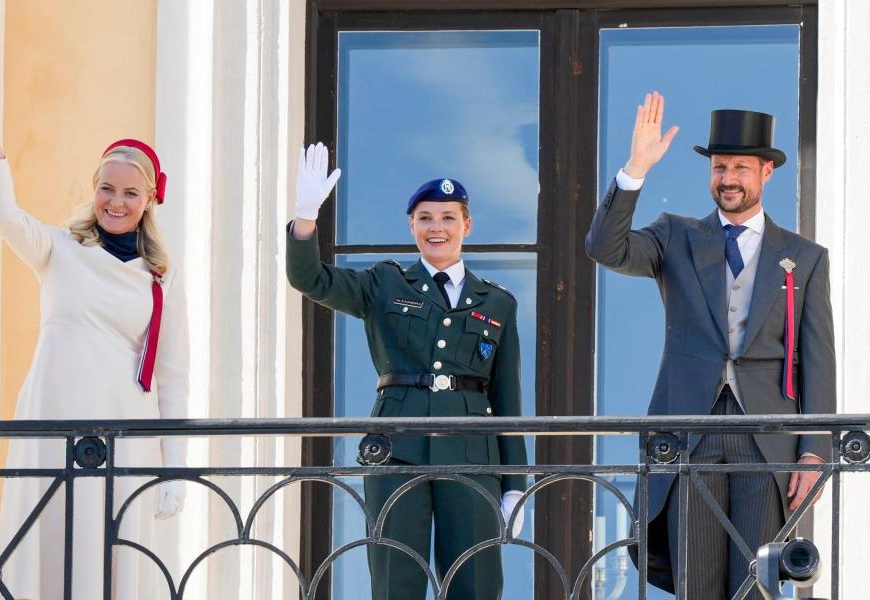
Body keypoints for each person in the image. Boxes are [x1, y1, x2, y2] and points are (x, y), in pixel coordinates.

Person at [0, 98, 189, 599]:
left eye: (130, 193)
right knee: (47, 539)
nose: (116, 201)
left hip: (125, 433)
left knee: (111, 553)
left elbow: (172, 375)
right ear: (94, 191)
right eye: (106, 189)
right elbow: (4, 216)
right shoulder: (58, 249)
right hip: (53, 415)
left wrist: (172, 465)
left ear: (150, 200)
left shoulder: (161, 275)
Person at [586, 92, 835, 598]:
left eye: (740, 167)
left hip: (766, 439)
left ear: (766, 172)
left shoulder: (804, 258)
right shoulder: (675, 235)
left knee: (757, 582)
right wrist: (636, 168)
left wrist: (814, 452)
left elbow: (817, 359)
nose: (727, 178)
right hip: (687, 433)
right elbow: (604, 248)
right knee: (694, 581)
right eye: (720, 167)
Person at [286, 143, 528, 599]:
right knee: (396, 579)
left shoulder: (498, 302)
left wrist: (515, 483)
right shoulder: (385, 282)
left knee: (475, 583)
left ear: (467, 225)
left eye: (448, 218)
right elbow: (311, 280)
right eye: (426, 219)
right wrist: (304, 219)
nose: (437, 228)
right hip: (397, 450)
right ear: (412, 226)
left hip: (472, 455)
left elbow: (508, 399)